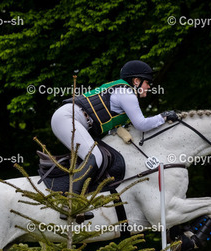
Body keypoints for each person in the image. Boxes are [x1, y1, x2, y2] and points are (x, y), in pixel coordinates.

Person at [51, 60, 179, 195]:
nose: (149, 86)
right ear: (136, 81)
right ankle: (72, 199)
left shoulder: (122, 94)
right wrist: (163, 117)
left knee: (100, 156)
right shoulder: (126, 93)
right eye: (147, 82)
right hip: (68, 118)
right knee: (95, 157)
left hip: (73, 119)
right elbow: (141, 124)